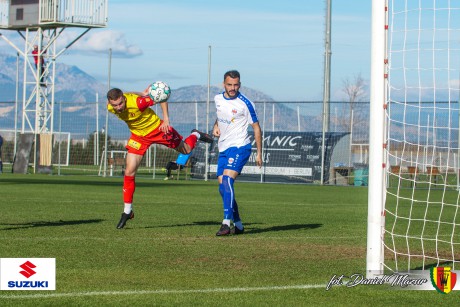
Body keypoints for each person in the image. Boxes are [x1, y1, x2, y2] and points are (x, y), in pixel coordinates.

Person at [107, 86, 213, 229]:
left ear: (124, 99)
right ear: (110, 103)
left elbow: (161, 98)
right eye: (115, 105)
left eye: (120, 103)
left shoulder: (139, 102)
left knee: (186, 149)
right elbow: (127, 94)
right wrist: (142, 92)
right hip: (139, 137)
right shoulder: (110, 107)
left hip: (158, 129)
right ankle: (127, 211)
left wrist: (166, 119)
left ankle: (196, 135)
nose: (118, 108)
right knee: (129, 172)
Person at [212, 70, 262, 236]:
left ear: (239, 84)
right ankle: (239, 225)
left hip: (240, 146)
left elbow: (256, 128)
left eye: (236, 85)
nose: (233, 88)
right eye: (229, 85)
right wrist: (216, 125)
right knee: (222, 188)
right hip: (224, 147)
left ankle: (226, 223)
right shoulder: (218, 99)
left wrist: (259, 153)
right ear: (223, 84)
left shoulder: (245, 103)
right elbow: (220, 116)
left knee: (227, 180)